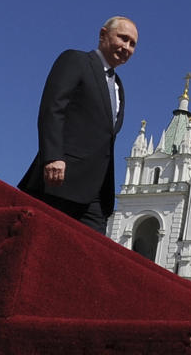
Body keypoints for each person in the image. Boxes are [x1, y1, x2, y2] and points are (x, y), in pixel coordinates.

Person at [19, 16, 138, 233]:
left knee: (90, 254)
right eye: (123, 38)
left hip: (96, 194)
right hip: (60, 180)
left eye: (132, 44)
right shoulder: (76, 61)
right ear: (103, 34)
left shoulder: (118, 87)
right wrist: (53, 156)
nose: (127, 47)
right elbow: (53, 108)